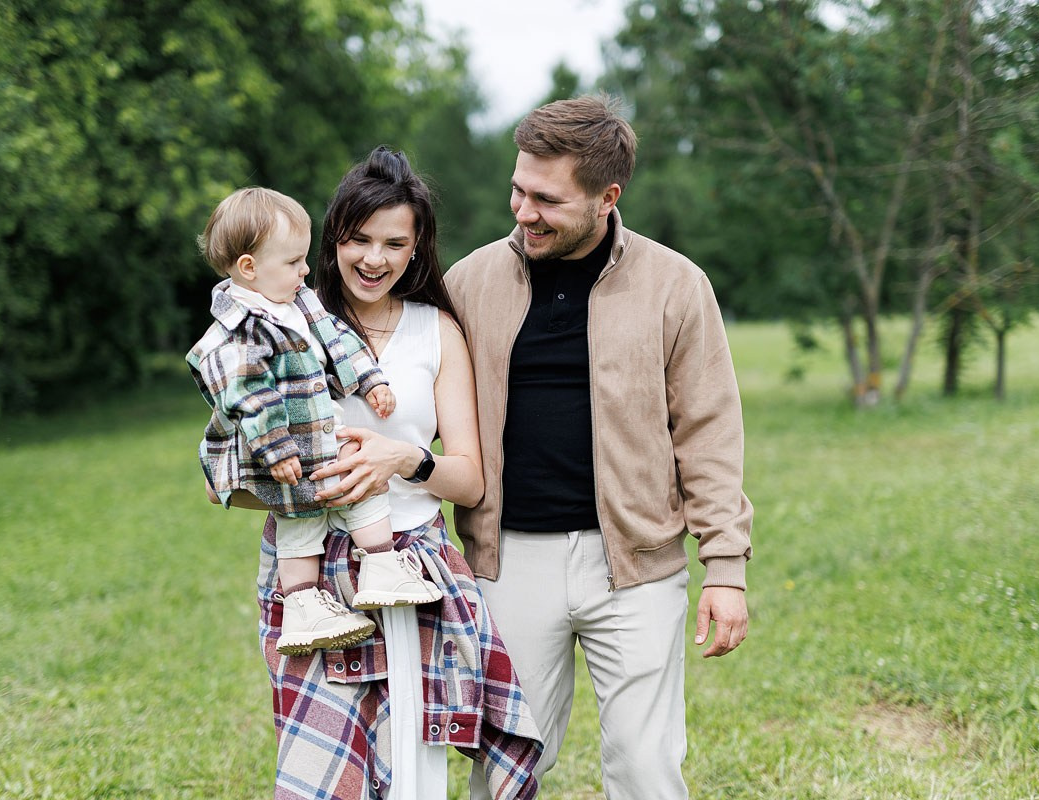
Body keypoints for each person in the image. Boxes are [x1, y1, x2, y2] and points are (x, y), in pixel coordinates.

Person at [443, 94, 755, 799]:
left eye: (547, 200)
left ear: (607, 197)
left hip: (637, 566)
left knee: (647, 769)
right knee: (502, 772)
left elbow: (708, 431)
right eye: (518, 189)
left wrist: (727, 567)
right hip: (505, 558)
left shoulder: (676, 286)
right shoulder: (468, 283)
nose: (523, 212)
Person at [215, 148, 542, 799]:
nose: (374, 258)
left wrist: (403, 460)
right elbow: (222, 479)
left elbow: (471, 479)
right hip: (314, 575)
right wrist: (311, 483)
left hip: (412, 567)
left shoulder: (437, 332)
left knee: (416, 764)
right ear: (333, 237)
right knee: (321, 770)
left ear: (417, 247)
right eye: (359, 239)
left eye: (395, 243)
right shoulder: (287, 329)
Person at [188, 187, 443, 658]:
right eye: (293, 262)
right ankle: (303, 603)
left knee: (361, 486)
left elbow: (337, 338)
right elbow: (247, 396)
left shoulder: (299, 303)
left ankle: (381, 568)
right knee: (299, 523)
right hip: (282, 452)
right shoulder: (234, 331)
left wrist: (369, 381)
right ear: (249, 268)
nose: (306, 271)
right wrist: (276, 450)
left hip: (321, 439)